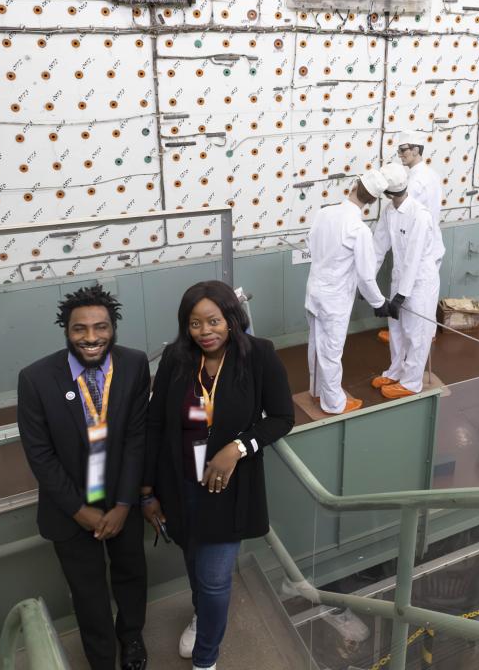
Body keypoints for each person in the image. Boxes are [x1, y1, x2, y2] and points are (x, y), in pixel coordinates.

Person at [140, 280, 295, 670]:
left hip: (226, 491)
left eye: (214, 321)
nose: (205, 332)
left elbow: (282, 418)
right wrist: (146, 491)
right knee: (195, 568)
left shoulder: (259, 355)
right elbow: (155, 423)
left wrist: (238, 448)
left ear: (232, 318)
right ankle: (201, 614)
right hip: (178, 486)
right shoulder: (177, 359)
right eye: (195, 324)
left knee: (213, 579)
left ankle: (206, 660)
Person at [17, 285, 150, 670]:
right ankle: (102, 659)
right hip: (70, 507)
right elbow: (39, 455)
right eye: (80, 329)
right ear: (66, 330)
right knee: (88, 592)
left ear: (113, 327)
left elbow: (137, 437)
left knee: (131, 576)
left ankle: (132, 639)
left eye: (100, 327)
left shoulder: (135, 364)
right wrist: (79, 510)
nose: (91, 338)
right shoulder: (36, 379)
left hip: (120, 499)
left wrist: (125, 503)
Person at [304, 169, 392, 414]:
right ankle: (334, 403)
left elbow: (309, 243)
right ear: (372, 201)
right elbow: (365, 275)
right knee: (331, 350)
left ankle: (317, 391)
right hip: (334, 299)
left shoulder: (324, 213)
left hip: (314, 292)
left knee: (315, 344)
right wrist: (379, 303)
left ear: (353, 185)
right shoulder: (359, 229)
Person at [371, 163, 445, 398]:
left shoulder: (419, 215)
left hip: (420, 282)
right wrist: (367, 280)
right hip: (400, 277)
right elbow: (377, 247)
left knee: (416, 332)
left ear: (388, 192)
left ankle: (412, 382)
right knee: (396, 327)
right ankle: (395, 371)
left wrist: (402, 295)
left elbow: (414, 258)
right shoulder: (389, 212)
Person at [377, 131, 445, 346]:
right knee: (423, 308)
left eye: (403, 150)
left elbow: (404, 214)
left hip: (420, 248)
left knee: (416, 313)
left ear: (417, 150)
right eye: (399, 150)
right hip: (430, 245)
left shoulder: (415, 181)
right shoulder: (430, 174)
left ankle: (417, 339)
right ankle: (421, 335)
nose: (400, 154)